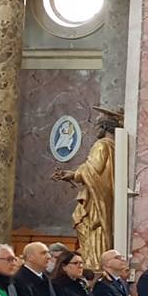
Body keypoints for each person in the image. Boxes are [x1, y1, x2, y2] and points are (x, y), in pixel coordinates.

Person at [51, 107, 122, 269]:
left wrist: (73, 175)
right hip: (104, 196)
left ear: (104, 127)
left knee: (88, 224)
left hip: (96, 199)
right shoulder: (115, 147)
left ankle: (94, 262)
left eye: (97, 126)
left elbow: (93, 169)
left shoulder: (101, 145)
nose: (95, 130)